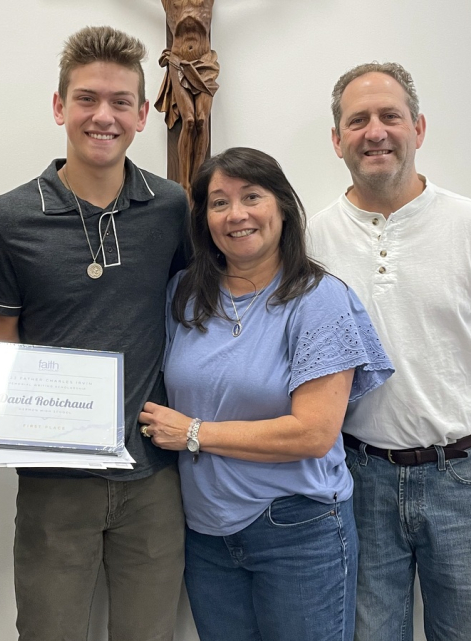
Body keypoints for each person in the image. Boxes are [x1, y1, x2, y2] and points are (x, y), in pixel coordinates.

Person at [307, 62, 471, 640]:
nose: (375, 131)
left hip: (467, 479)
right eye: (358, 120)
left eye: (390, 116)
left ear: (418, 129)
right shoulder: (311, 240)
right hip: (359, 476)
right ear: (336, 139)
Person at [0, 26, 189, 641]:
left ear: (143, 114)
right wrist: (11, 427)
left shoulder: (173, 207)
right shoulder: (7, 217)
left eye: (121, 101)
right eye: (87, 98)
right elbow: (0, 347)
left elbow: (191, 320)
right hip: (54, 485)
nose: (104, 116)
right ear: (59, 105)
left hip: (154, 478)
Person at [139, 147, 393, 641]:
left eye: (251, 196)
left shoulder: (318, 299)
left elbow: (313, 433)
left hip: (298, 529)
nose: (236, 215)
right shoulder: (183, 295)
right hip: (206, 532)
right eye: (218, 203)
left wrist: (194, 433)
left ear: (281, 207)